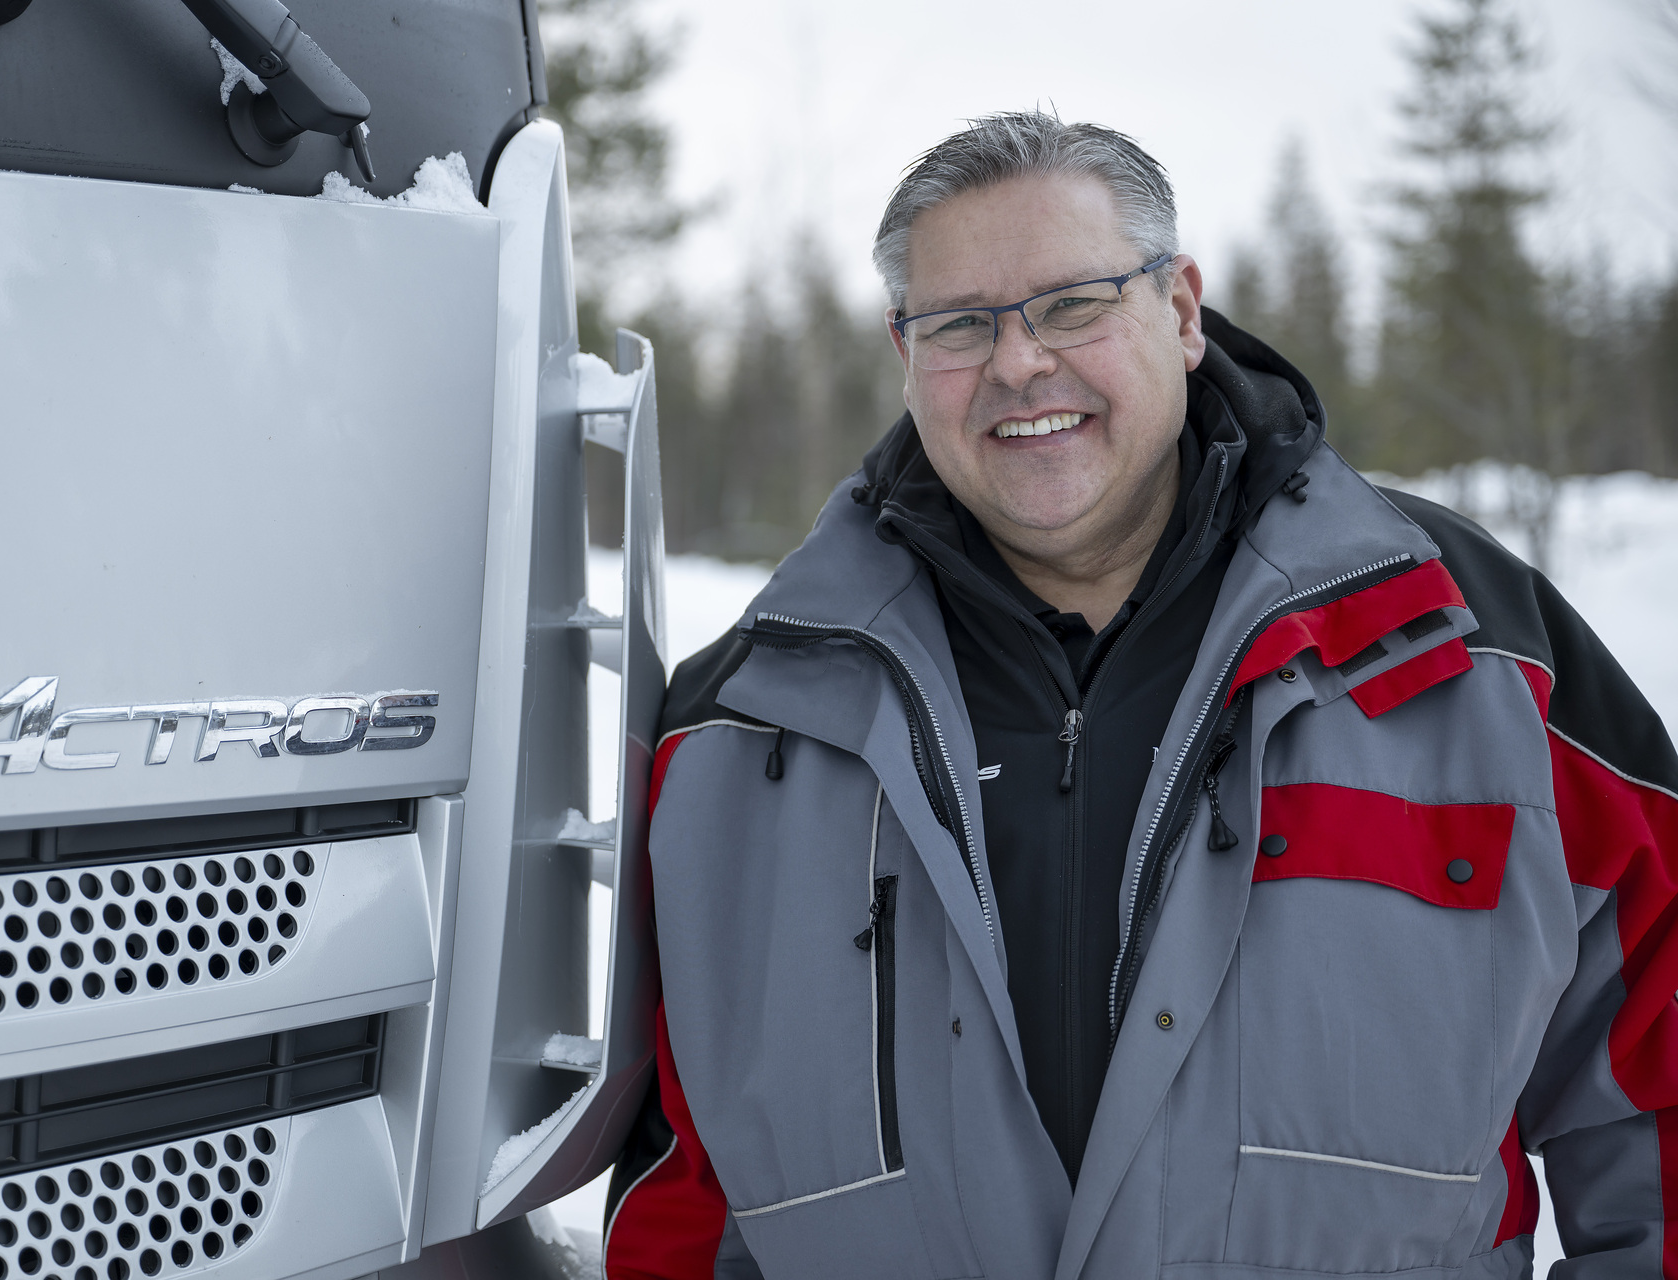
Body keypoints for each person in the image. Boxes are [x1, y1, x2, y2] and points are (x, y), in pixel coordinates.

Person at [600, 110, 1678, 1279]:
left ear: (1179, 311)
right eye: (962, 323)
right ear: (905, 354)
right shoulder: (741, 730)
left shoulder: (1473, 655)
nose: (1019, 363)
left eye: (1073, 303)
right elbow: (680, 1200)